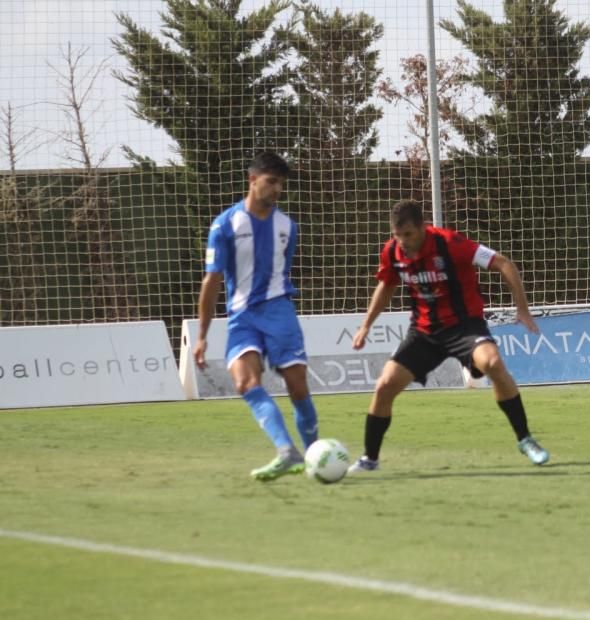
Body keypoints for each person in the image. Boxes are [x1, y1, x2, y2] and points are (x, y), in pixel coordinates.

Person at [349, 199, 549, 473]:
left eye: (408, 234)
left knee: (493, 364)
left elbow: (503, 263)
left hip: (464, 327)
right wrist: (365, 326)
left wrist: (522, 309)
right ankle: (369, 459)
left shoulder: (451, 243)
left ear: (423, 227)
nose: (403, 241)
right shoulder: (393, 251)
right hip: (424, 332)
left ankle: (525, 440)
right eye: (397, 235)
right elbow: (386, 286)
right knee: (384, 385)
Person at [193, 151, 319, 481]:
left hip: (279, 312)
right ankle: (287, 452)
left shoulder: (287, 227)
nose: (277, 189)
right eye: (271, 181)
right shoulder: (225, 225)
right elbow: (213, 281)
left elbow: (283, 271)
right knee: (244, 382)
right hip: (242, 317)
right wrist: (203, 335)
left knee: (297, 386)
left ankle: (315, 453)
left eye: (281, 184)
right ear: (253, 180)